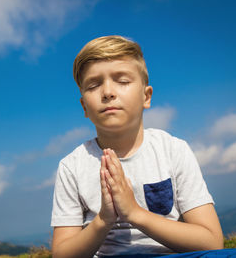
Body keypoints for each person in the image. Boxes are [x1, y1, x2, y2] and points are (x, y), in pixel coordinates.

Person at [50, 35, 224, 257]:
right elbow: (62, 254)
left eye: (122, 81)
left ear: (146, 96)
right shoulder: (72, 166)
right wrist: (103, 220)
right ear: (84, 106)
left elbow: (211, 242)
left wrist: (134, 213)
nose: (108, 92)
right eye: (94, 85)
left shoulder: (173, 150)